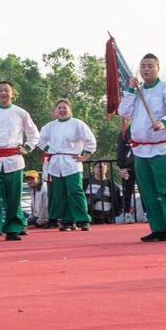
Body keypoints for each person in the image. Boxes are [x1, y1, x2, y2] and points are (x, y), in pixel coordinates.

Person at [0, 81, 39, 242]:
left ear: (12, 93)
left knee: (13, 196)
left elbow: (33, 133)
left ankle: (13, 229)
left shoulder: (21, 112)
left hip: (14, 160)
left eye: (6, 90)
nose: (3, 93)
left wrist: (28, 147)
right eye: (0, 91)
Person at [117, 53, 166, 242]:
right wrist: (130, 91)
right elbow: (123, 112)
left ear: (157, 68)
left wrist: (164, 122)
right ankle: (159, 228)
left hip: (162, 148)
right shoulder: (136, 91)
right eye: (143, 66)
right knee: (148, 191)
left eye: (150, 66)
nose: (146, 69)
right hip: (141, 150)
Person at [38, 98, 96, 231]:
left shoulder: (78, 124)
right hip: (55, 162)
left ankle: (83, 219)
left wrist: (85, 155)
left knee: (75, 191)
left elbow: (90, 140)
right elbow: (40, 140)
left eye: (65, 107)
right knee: (60, 193)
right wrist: (49, 150)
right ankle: (67, 220)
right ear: (56, 110)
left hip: (72, 161)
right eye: (60, 108)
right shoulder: (49, 126)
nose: (62, 110)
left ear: (70, 109)